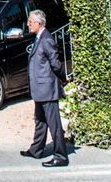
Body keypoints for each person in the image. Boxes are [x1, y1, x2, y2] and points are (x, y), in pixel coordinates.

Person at [20, 9, 69, 168]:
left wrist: (63, 78)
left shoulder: (46, 40)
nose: (28, 24)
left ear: (39, 23)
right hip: (40, 89)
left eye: (30, 22)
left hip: (47, 89)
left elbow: (55, 64)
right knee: (40, 120)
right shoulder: (39, 38)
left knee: (54, 125)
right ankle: (36, 149)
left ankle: (61, 156)